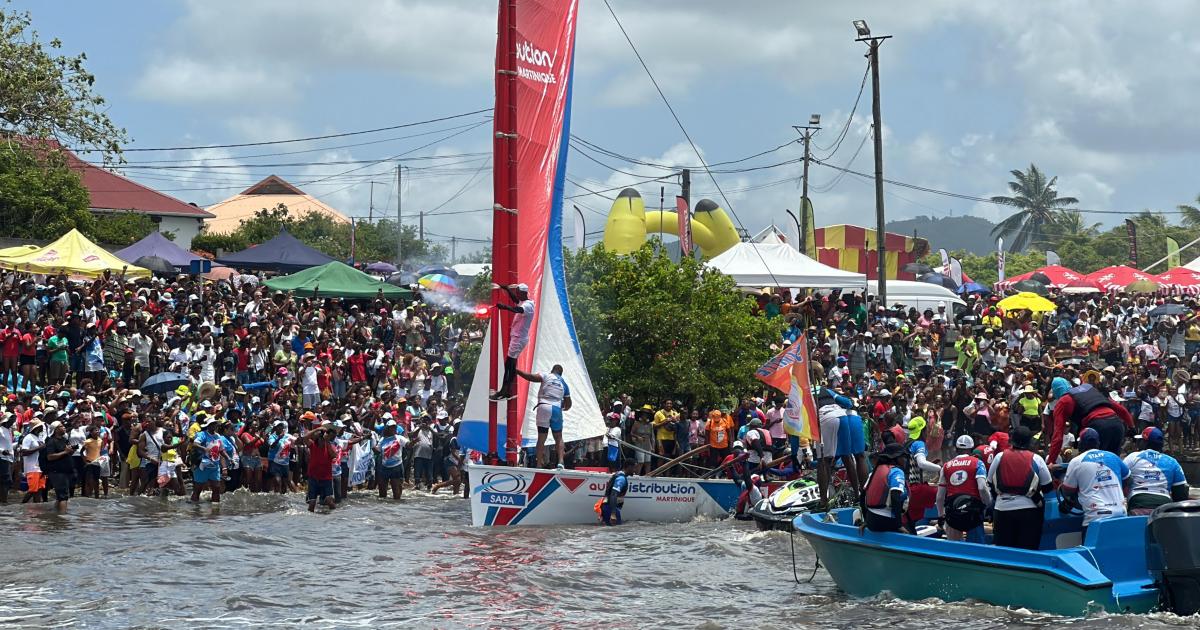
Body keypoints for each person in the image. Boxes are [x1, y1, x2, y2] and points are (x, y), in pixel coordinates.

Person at [988, 426, 1054, 550]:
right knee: (1028, 552)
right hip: (1029, 512)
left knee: (1004, 553)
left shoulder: (999, 457)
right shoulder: (1037, 459)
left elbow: (990, 483)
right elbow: (1048, 487)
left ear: (1012, 440)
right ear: (1029, 442)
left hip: (1002, 510)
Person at [1061, 427, 1131, 537]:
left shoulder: (1076, 461)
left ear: (1081, 444)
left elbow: (1067, 491)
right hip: (1120, 515)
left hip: (1095, 519)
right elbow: (1127, 478)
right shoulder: (1113, 457)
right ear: (1098, 443)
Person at [1047, 379, 1134, 465]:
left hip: (1098, 427)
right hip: (1117, 424)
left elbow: (1057, 436)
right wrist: (1131, 427)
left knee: (1094, 465)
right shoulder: (1089, 389)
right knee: (1113, 463)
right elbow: (1121, 409)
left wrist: (1051, 461)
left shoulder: (1063, 402)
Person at [935, 435, 991, 541]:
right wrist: (988, 505)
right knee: (976, 549)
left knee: (954, 549)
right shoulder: (978, 463)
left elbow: (940, 497)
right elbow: (982, 488)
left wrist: (941, 515)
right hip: (973, 512)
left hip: (953, 513)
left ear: (956, 449)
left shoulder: (946, 466)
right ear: (971, 449)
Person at [1123, 427, 1189, 515]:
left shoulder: (1132, 457)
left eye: (1140, 440)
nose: (1138, 443)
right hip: (1164, 506)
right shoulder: (1172, 462)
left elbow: (1120, 480)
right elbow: (1181, 493)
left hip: (1138, 502)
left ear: (1145, 443)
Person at [516, 364, 571, 469]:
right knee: (558, 437)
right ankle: (560, 462)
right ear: (561, 374)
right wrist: (562, 407)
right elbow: (569, 405)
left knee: (541, 438)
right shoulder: (564, 383)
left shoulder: (546, 375)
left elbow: (531, 377)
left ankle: (538, 465)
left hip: (543, 407)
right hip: (556, 409)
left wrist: (517, 371)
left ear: (552, 370)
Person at [489, 283, 532, 401]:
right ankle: (507, 390)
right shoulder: (524, 302)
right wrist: (507, 289)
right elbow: (516, 301)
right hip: (517, 338)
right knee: (511, 365)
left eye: (518, 293)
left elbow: (517, 309)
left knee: (509, 365)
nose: (517, 295)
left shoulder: (528, 306)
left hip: (518, 339)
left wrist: (504, 307)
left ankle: (503, 391)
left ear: (523, 293)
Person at [815, 385, 855, 507]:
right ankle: (858, 496)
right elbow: (848, 403)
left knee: (823, 462)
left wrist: (795, 453)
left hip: (825, 417)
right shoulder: (825, 390)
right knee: (847, 457)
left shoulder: (800, 392)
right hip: (841, 415)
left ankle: (823, 502)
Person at [861, 442, 909, 533]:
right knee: (911, 530)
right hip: (885, 521)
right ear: (896, 458)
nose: (905, 460)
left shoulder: (874, 472)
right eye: (903, 456)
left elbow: (862, 497)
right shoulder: (896, 472)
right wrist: (899, 525)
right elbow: (895, 497)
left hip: (871, 521)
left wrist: (866, 520)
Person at [303, 420, 337, 512]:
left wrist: (327, 442)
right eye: (320, 439)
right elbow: (304, 438)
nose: (322, 442)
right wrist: (317, 429)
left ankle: (335, 519)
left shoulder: (329, 446)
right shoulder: (313, 445)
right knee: (312, 504)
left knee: (329, 501)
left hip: (326, 478)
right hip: (313, 478)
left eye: (323, 440)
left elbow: (334, 455)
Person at [44, 421, 76, 512]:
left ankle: (55, 515)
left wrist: (70, 451)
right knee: (63, 496)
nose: (64, 427)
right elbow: (50, 457)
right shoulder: (51, 441)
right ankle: (62, 518)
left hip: (65, 471)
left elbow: (66, 453)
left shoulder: (64, 440)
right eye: (61, 426)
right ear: (56, 429)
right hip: (57, 472)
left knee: (61, 496)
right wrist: (65, 452)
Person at [190, 418, 224, 503]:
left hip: (215, 466)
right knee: (198, 488)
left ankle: (215, 508)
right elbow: (195, 444)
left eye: (215, 424)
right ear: (208, 426)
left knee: (217, 487)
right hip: (202, 465)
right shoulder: (202, 434)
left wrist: (228, 459)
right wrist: (204, 449)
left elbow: (221, 450)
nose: (214, 426)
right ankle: (194, 507)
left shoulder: (218, 436)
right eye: (212, 424)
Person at [376, 419, 408, 500]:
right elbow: (377, 451)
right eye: (391, 427)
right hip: (384, 467)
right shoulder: (382, 439)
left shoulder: (399, 438)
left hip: (396, 467)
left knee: (396, 493)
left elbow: (407, 445)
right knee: (382, 494)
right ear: (387, 428)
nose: (393, 429)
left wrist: (413, 443)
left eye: (394, 427)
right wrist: (372, 444)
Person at [19, 419, 47, 504]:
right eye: (41, 426)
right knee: (32, 490)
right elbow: (24, 452)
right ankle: (21, 505)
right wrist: (39, 448)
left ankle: (37, 508)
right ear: (37, 428)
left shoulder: (38, 437)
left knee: (39, 489)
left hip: (40, 467)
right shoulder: (28, 438)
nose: (43, 427)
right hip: (32, 468)